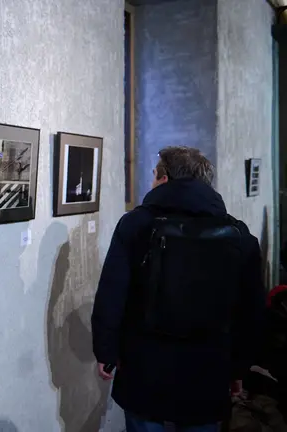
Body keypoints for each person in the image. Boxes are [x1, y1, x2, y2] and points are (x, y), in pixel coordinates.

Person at [91, 146, 266, 431]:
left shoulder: (135, 225)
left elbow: (112, 293)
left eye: (153, 174)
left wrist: (106, 352)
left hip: (144, 363)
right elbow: (251, 312)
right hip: (209, 367)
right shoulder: (239, 235)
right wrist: (239, 368)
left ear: (164, 179)